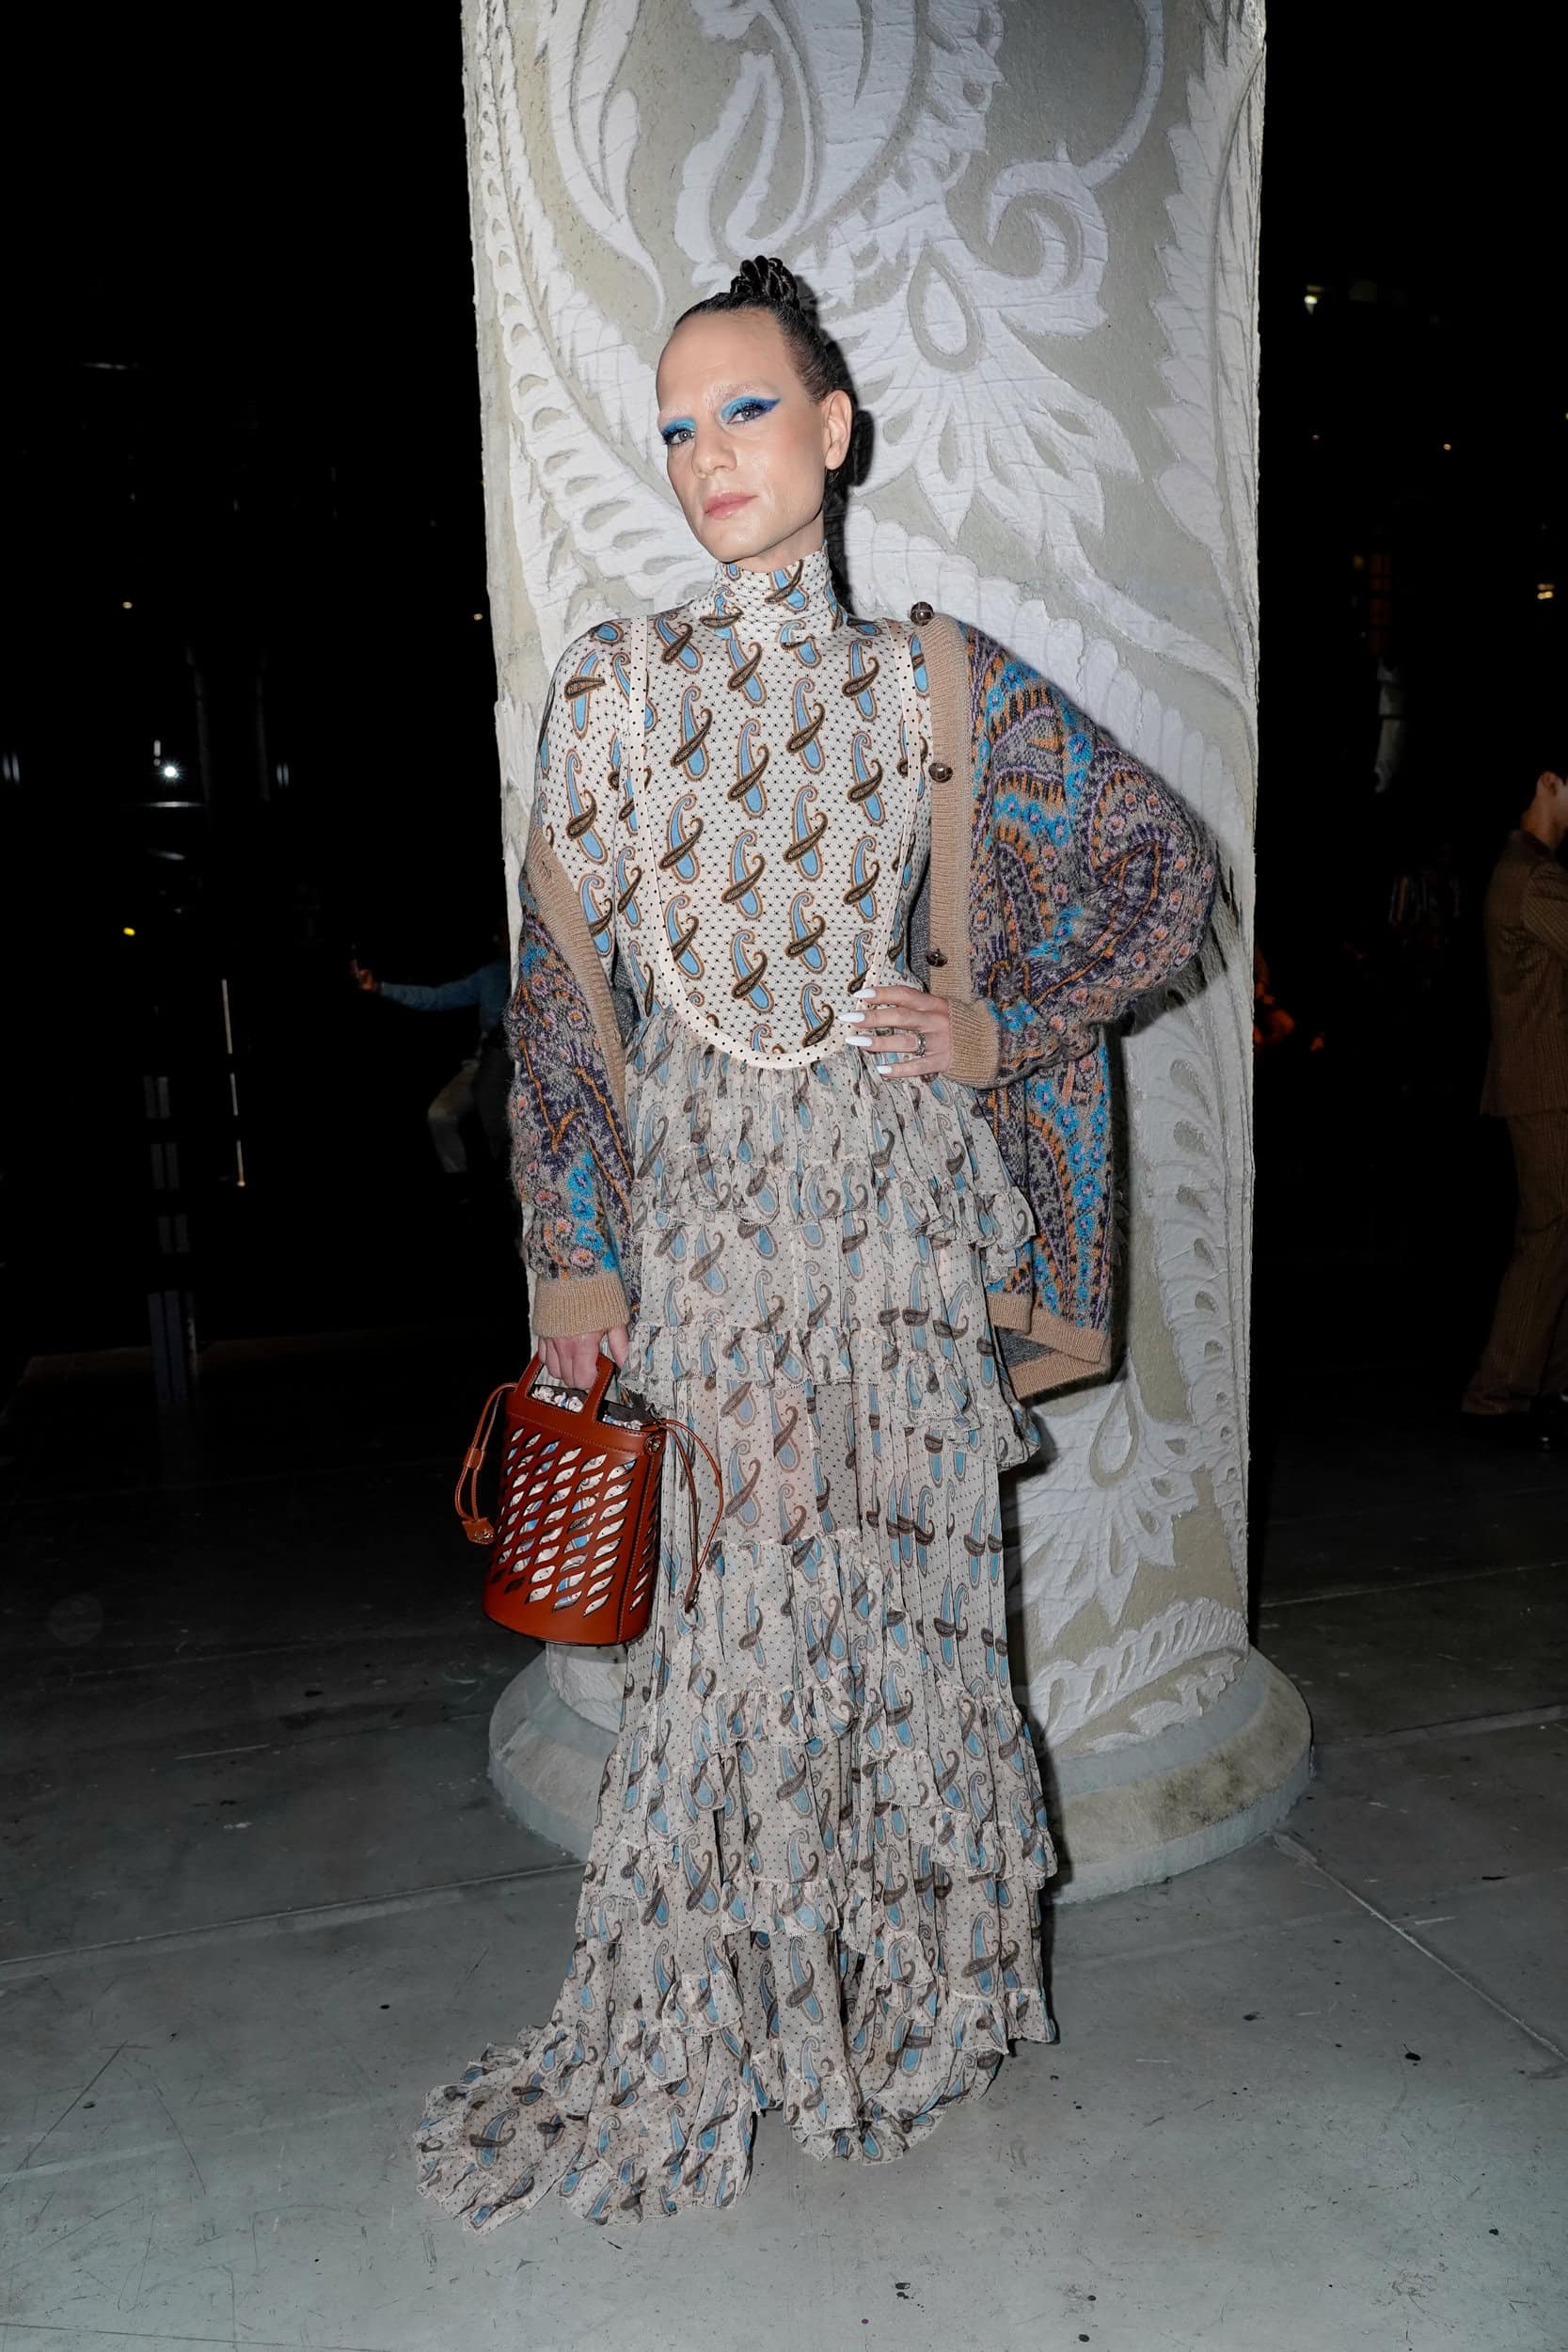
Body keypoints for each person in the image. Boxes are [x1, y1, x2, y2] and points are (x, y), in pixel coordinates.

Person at [414, 256, 1216, 2230]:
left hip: (896, 1232)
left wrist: (995, 1029)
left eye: (748, 409)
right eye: (676, 425)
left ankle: (912, 2001)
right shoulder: (612, 690)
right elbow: (559, 1019)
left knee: (908, 1620)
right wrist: (578, 1283)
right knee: (739, 1633)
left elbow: (1160, 870)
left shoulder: (931, 685)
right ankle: (736, 2013)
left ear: (835, 428)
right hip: (715, 1239)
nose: (708, 455)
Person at [1461, 762, 1568, 1444]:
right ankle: (1498, 1398)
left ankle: (1547, 1387)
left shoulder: (1524, 868)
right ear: (1549, 782)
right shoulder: (1533, 877)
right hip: (1547, 1087)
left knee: (1556, 1235)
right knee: (1550, 1232)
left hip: (1541, 1083)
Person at [353, 943, 511, 1176]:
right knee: (439, 1115)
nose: (503, 940)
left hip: (529, 1071)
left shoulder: (542, 971)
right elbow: (437, 997)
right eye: (502, 934)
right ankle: (461, 1180)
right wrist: (379, 987)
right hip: (486, 1065)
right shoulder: (492, 974)